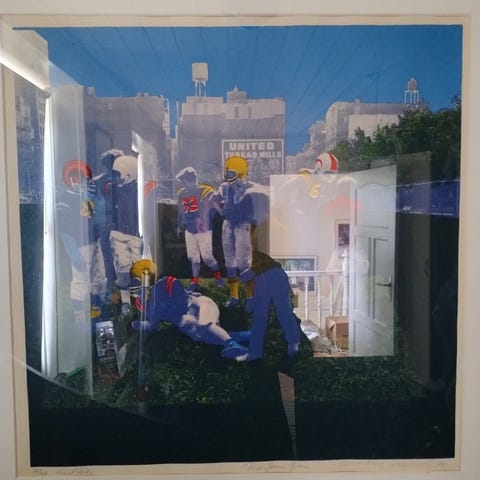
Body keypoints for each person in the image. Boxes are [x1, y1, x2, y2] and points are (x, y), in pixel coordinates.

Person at [129, 260, 249, 360]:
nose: (140, 295)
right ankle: (246, 336)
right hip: (188, 322)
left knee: (203, 324)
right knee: (204, 336)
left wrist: (165, 312)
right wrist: (141, 325)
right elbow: (153, 324)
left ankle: (231, 344)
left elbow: (182, 300)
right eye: (136, 293)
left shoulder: (165, 284)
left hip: (201, 306)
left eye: (140, 290)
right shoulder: (145, 304)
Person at [215, 156, 269, 307]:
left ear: (240, 173)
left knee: (243, 262)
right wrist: (221, 210)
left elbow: (259, 204)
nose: (227, 176)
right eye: (227, 172)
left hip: (242, 225)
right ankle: (234, 296)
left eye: (231, 172)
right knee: (230, 261)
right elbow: (215, 199)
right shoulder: (225, 187)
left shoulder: (251, 188)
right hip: (228, 223)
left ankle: (251, 297)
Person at [237, 251, 301, 361]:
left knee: (273, 315)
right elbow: (249, 279)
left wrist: (249, 297)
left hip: (271, 277)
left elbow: (248, 276)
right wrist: (250, 297)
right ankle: (293, 343)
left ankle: (255, 353)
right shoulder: (245, 255)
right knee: (279, 314)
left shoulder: (243, 255)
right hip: (272, 276)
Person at [175, 166, 223, 291]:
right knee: (193, 257)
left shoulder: (205, 190)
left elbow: (213, 208)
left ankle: (218, 277)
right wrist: (179, 224)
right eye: (183, 182)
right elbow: (181, 211)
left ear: (192, 180)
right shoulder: (181, 193)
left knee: (207, 257)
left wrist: (204, 219)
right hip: (189, 229)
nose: (184, 185)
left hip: (203, 230)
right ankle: (194, 281)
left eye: (185, 182)